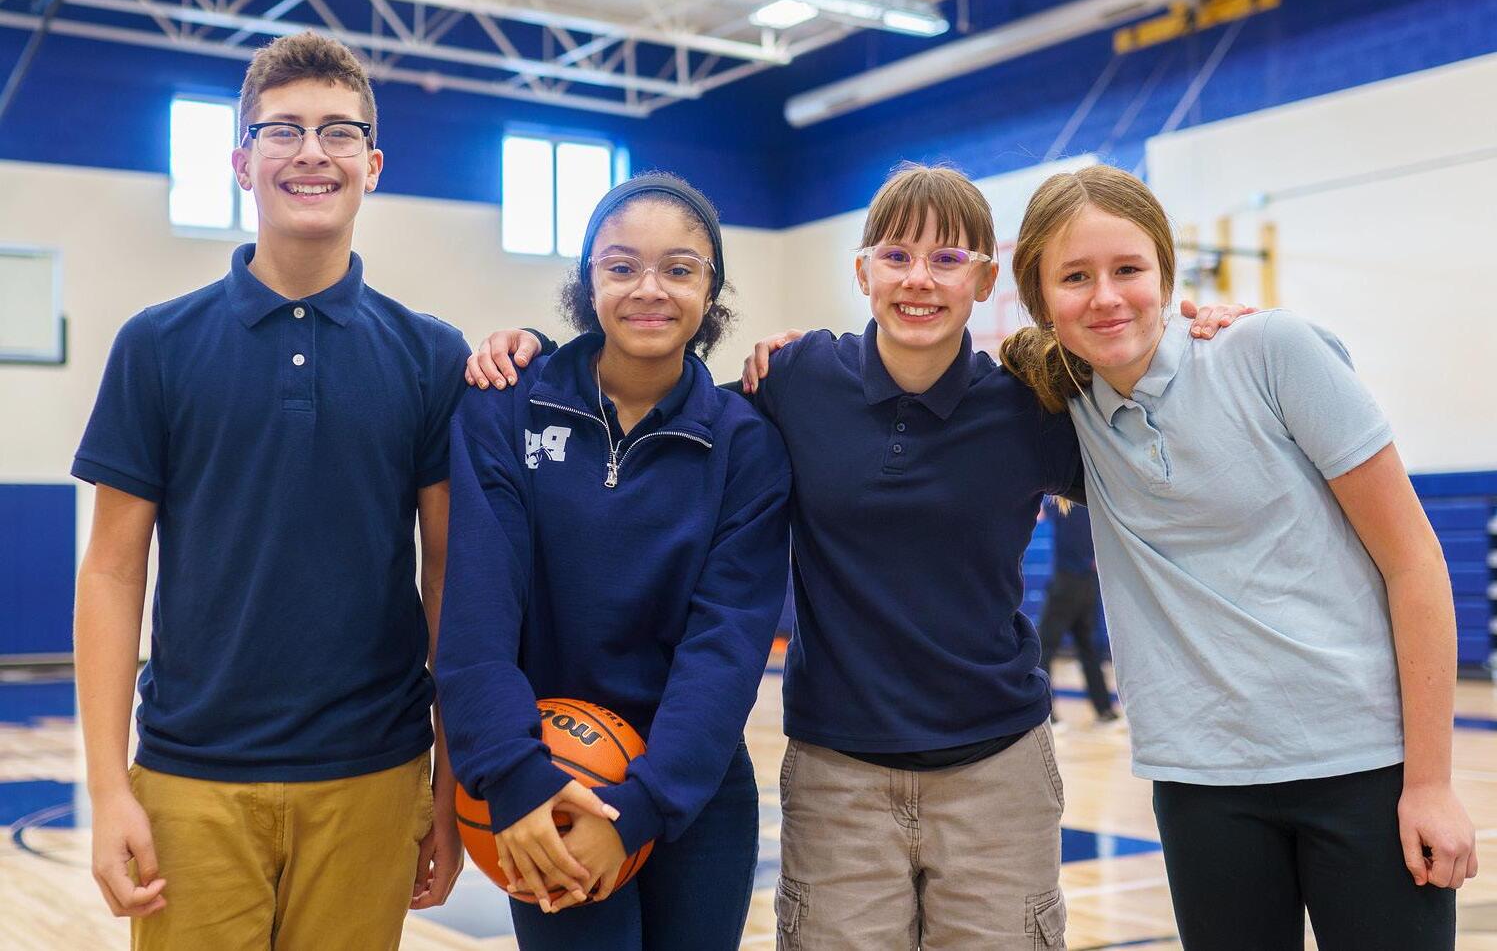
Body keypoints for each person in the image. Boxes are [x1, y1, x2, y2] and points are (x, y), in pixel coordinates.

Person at [463, 163, 1246, 950]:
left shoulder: (1030, 406)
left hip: (996, 767)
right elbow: (653, 391)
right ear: (862, 270)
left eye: (947, 259)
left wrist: (1204, 348)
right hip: (837, 773)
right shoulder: (794, 381)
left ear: (984, 280)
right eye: (897, 255)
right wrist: (536, 354)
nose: (919, 278)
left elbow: (1166, 457)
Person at [999, 163, 1476, 950]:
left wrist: (1429, 783)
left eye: (1128, 269)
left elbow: (1414, 562)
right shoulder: (1058, 407)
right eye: (1074, 277)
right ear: (1039, 298)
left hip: (1361, 767)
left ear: (1165, 273)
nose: (1106, 296)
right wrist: (794, 356)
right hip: (1201, 784)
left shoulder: (1266, 350)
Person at [72, 31, 468, 950]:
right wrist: (108, 786)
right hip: (191, 778)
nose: (311, 152)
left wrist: (448, 788)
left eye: (338, 132)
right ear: (242, 162)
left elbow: (448, 578)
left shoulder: (431, 355)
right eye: (283, 130)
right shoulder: (156, 346)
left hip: (374, 775)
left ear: (372, 166)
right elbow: (112, 572)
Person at [435, 173, 792, 951]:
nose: (648, 290)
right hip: (548, 785)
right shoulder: (506, 404)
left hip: (688, 788)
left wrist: (642, 807)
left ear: (711, 289)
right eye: (621, 266)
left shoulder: (745, 443)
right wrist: (515, 776)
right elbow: (477, 613)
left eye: (679, 269)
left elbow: (726, 645)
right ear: (587, 281)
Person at [1038, 499, 1119, 725]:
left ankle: (1045, 712)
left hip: (1066, 582)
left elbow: (1039, 512)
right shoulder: (1092, 501)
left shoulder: (1059, 502)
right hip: (1088, 582)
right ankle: (1104, 709)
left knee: (1043, 648)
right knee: (1088, 649)